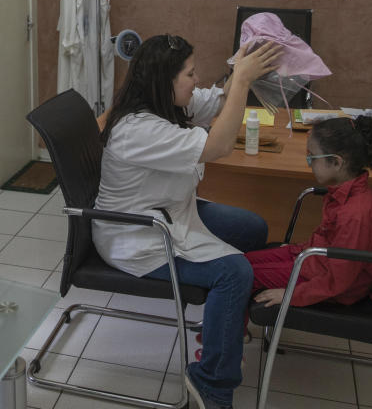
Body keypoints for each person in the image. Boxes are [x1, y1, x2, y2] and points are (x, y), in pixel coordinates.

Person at [95, 34, 281, 409]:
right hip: (138, 234)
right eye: (190, 74)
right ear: (165, 81)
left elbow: (217, 101)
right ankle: (212, 382)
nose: (196, 80)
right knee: (235, 273)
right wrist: (242, 81)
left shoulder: (166, 102)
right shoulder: (138, 128)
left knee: (252, 229)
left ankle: (224, 325)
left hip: (172, 210)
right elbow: (219, 145)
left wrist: (241, 69)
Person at [248, 115, 372, 309]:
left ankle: (229, 335)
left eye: (312, 157)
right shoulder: (345, 194)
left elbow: (339, 280)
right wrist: (298, 250)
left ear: (336, 162)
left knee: (238, 274)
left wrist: (292, 294)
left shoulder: (355, 215)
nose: (309, 163)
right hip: (314, 262)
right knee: (240, 262)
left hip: (326, 282)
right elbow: (328, 242)